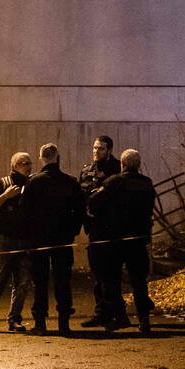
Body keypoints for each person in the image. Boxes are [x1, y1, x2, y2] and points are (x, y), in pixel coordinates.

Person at [87, 148, 157, 333]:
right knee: (138, 281)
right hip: (138, 240)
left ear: (122, 164)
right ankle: (144, 319)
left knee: (112, 279)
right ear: (138, 165)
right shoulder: (147, 183)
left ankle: (120, 317)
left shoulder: (114, 182)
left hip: (115, 239)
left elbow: (93, 202)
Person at [19, 143, 84, 336]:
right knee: (62, 279)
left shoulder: (33, 182)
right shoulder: (70, 182)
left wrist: (29, 235)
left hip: (39, 240)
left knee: (40, 281)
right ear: (57, 157)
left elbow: (24, 212)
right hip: (62, 239)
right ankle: (64, 322)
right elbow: (80, 211)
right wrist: (72, 231)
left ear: (41, 158)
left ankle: (40, 322)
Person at [0, 152, 34, 332]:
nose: (29, 166)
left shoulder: (32, 184)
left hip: (24, 240)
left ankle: (14, 319)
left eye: (30, 163)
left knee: (22, 282)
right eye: (24, 163)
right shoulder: (3, 184)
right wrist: (5, 196)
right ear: (15, 166)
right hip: (4, 241)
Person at [78, 135, 121, 327]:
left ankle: (112, 314)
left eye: (101, 149)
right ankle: (103, 312)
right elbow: (81, 198)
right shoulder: (87, 170)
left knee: (111, 274)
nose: (96, 152)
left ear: (109, 151)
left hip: (112, 229)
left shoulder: (118, 170)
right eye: (95, 148)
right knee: (98, 273)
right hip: (94, 229)